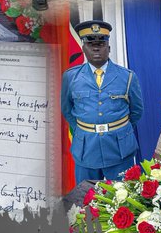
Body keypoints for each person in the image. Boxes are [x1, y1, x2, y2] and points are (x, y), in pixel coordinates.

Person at [60, 21, 144, 183]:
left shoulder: (127, 77)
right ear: (84, 48)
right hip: (86, 148)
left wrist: (119, 130)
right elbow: (67, 109)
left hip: (119, 148)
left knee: (124, 199)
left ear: (109, 48)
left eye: (101, 44)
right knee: (86, 198)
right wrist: (84, 131)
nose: (96, 48)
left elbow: (137, 111)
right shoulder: (70, 77)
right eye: (90, 44)